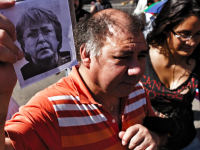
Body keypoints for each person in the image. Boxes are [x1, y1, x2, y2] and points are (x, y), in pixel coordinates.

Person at [0, 1, 169, 149]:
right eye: (122, 57)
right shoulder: (49, 109)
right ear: (87, 55)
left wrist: (155, 137)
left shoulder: (137, 91)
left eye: (141, 56)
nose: (137, 70)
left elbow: (160, 133)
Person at [141, 0, 200, 149]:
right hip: (147, 145)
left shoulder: (197, 59)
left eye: (198, 34)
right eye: (185, 34)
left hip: (188, 144)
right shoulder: (141, 56)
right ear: (166, 28)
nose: (192, 42)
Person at [16, 7, 71, 80]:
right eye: (32, 34)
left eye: (46, 31)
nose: (41, 39)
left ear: (58, 37)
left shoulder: (73, 59)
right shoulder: (21, 74)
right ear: (24, 45)